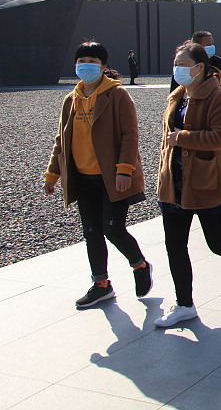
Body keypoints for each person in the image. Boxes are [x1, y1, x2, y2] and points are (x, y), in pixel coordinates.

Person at [155, 41, 221, 328]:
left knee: (217, 242)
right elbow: (167, 138)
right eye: (175, 63)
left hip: (204, 182)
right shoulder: (177, 96)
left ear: (200, 67)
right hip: (173, 184)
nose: (177, 69)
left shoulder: (218, 98)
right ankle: (184, 304)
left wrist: (183, 138)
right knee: (174, 246)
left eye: (182, 64)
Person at [44, 41, 151, 309]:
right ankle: (101, 285)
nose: (85, 66)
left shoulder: (117, 95)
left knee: (113, 229)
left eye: (91, 61)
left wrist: (125, 170)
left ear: (104, 66)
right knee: (91, 232)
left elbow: (130, 135)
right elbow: (62, 139)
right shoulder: (71, 99)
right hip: (82, 178)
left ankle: (139, 264)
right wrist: (52, 173)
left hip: (111, 178)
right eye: (81, 61)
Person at [172, 30, 221, 202]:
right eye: (207, 43)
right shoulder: (182, 67)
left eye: (212, 42)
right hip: (187, 120)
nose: (211, 46)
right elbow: (175, 92)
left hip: (215, 118)